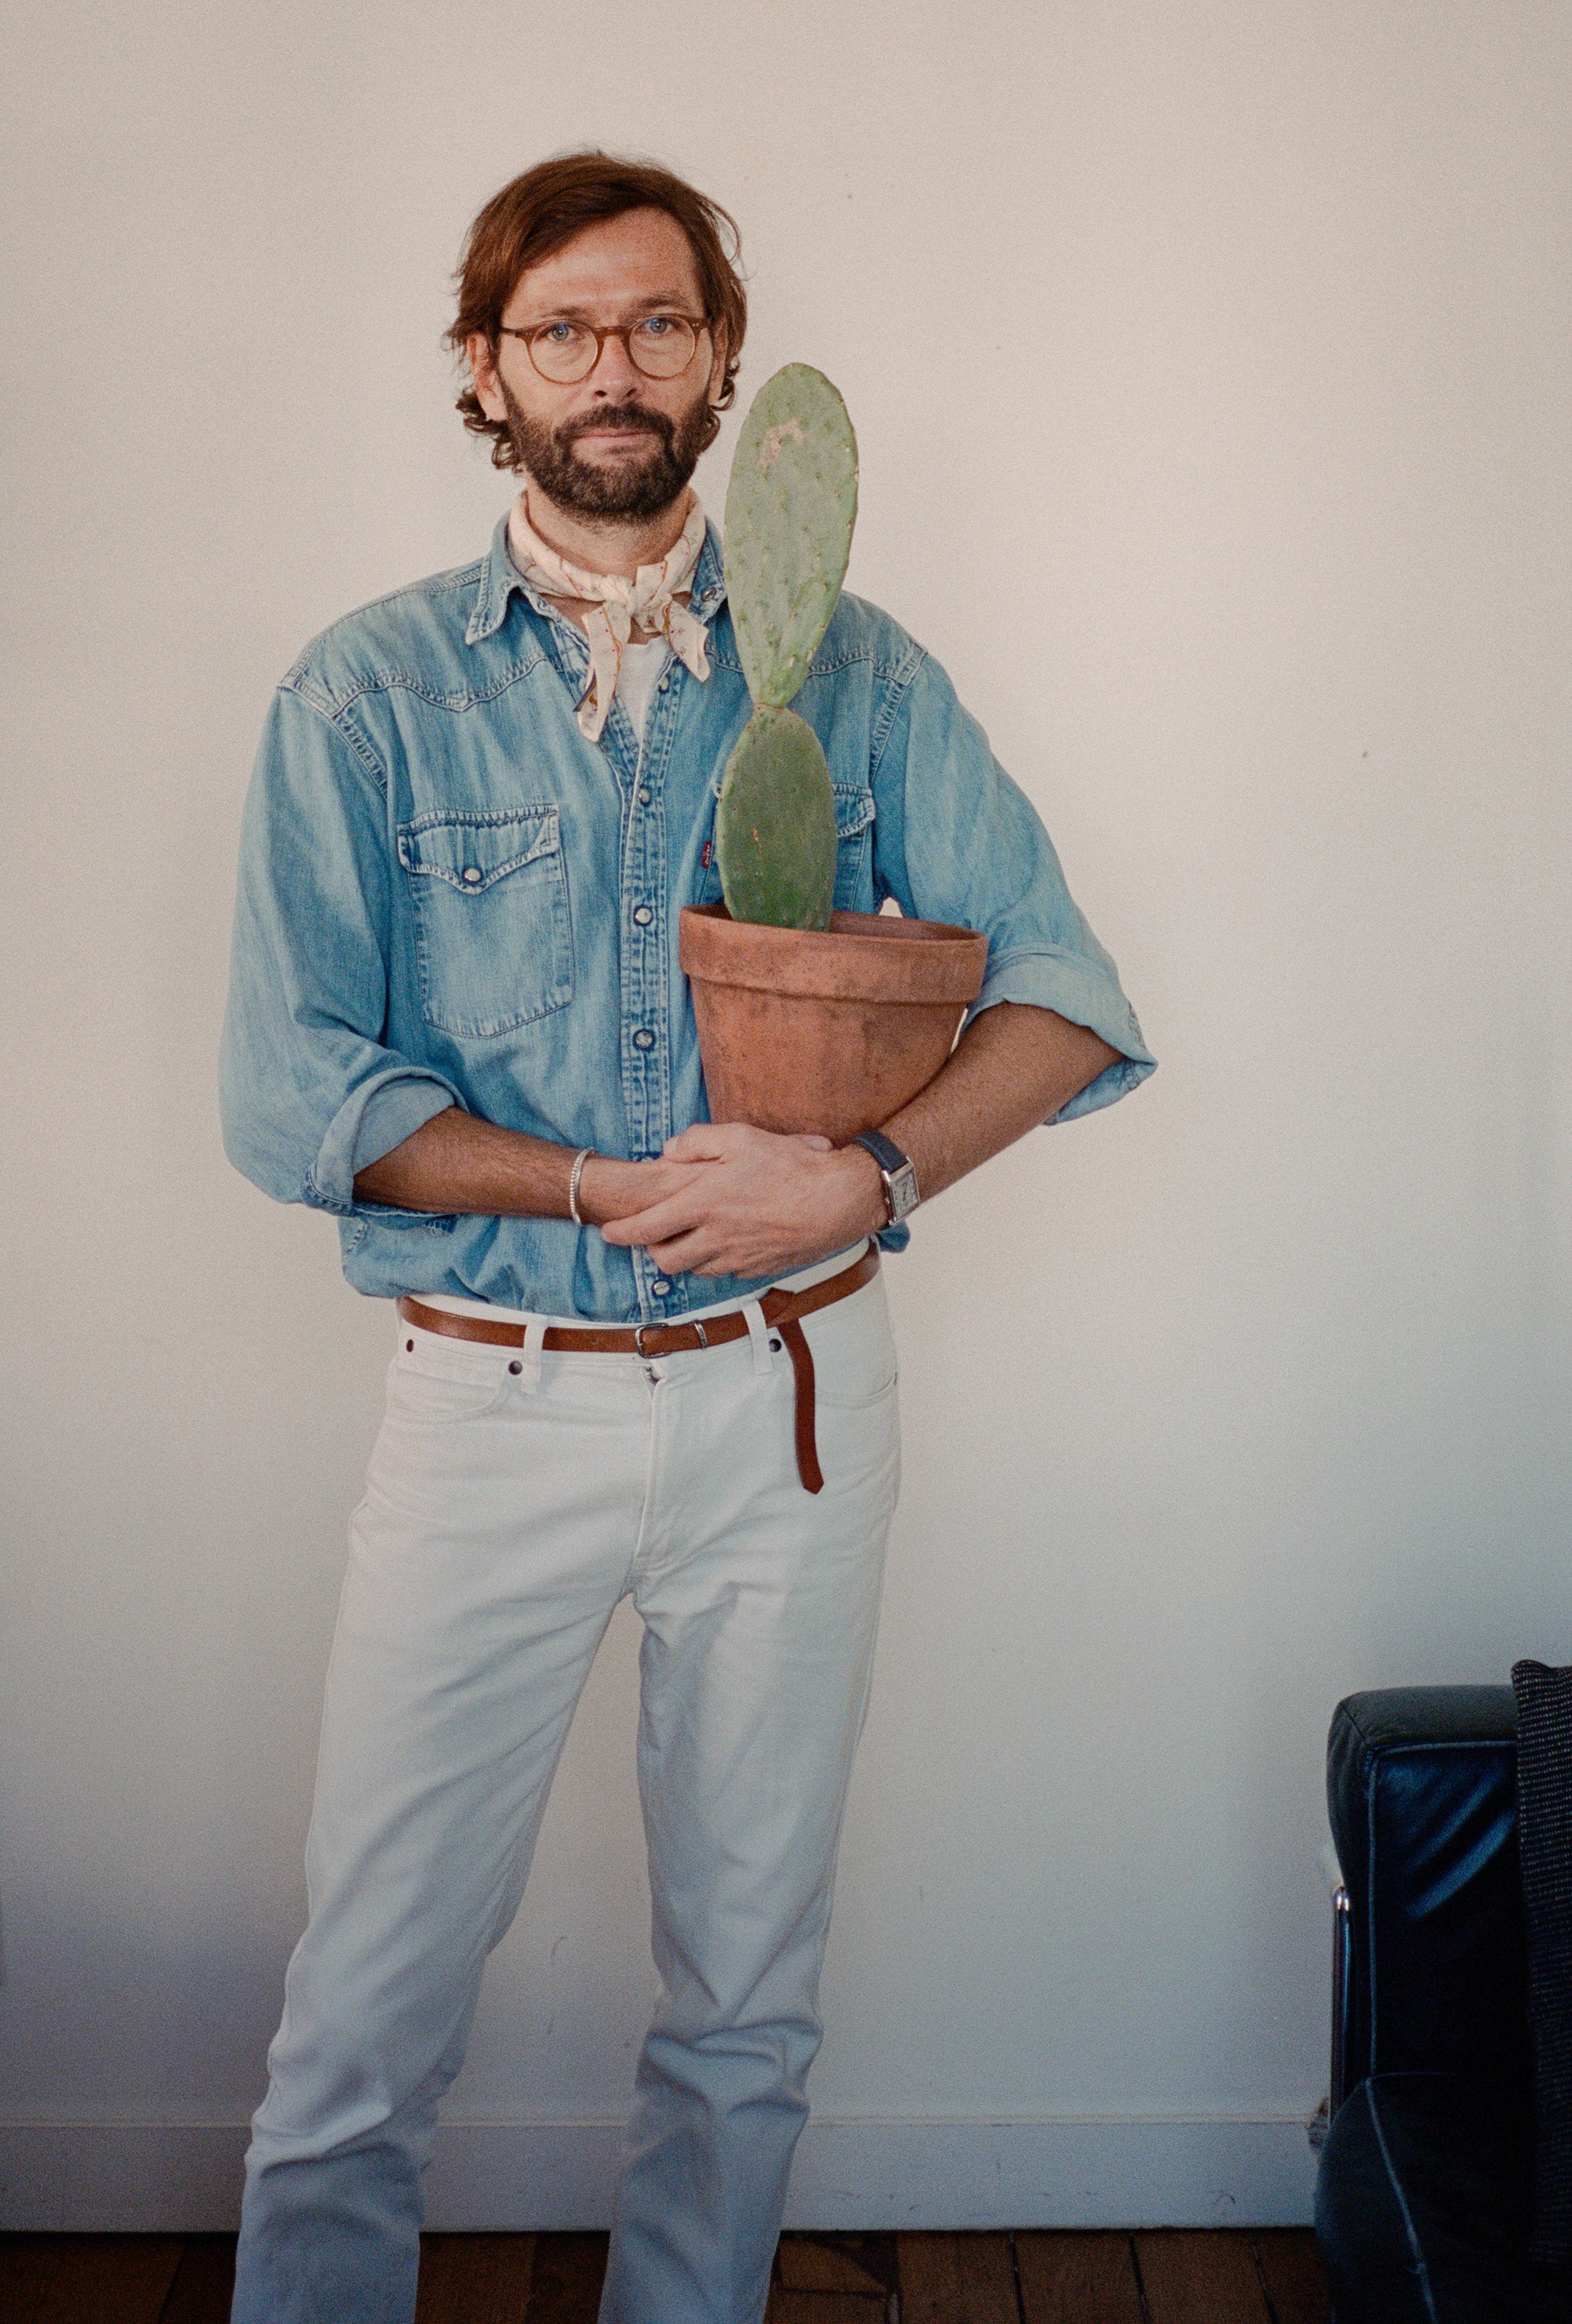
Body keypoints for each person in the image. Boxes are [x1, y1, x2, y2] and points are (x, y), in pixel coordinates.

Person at [220, 149, 1153, 2324]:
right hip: (491, 1399)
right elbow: (300, 1101)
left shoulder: (864, 676)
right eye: (562, 328)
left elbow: (1072, 998)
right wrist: (587, 1186)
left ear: (723, 357)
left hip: (795, 1406)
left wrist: (868, 1176)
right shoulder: (361, 699)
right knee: (363, 2018)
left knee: (745, 2007)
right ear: (484, 366)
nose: (614, 370)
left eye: (657, 322)